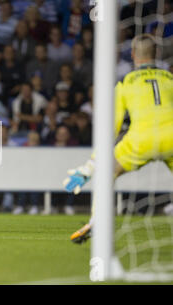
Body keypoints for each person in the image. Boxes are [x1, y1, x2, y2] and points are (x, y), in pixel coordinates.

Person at [63, 34, 173, 244]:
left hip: (142, 138)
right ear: (156, 54)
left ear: (132, 55)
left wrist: (91, 165)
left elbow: (110, 129)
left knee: (107, 174)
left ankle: (97, 220)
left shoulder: (125, 82)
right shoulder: (170, 78)